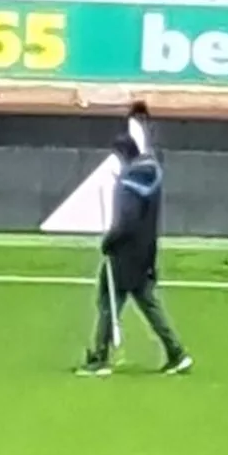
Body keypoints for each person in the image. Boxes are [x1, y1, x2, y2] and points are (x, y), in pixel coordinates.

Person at [78, 134, 192, 377]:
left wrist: (110, 241)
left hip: (125, 254)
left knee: (109, 302)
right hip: (145, 252)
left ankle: (100, 357)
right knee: (148, 304)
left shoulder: (130, 181)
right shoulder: (152, 175)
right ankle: (177, 353)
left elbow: (126, 221)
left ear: (121, 154)